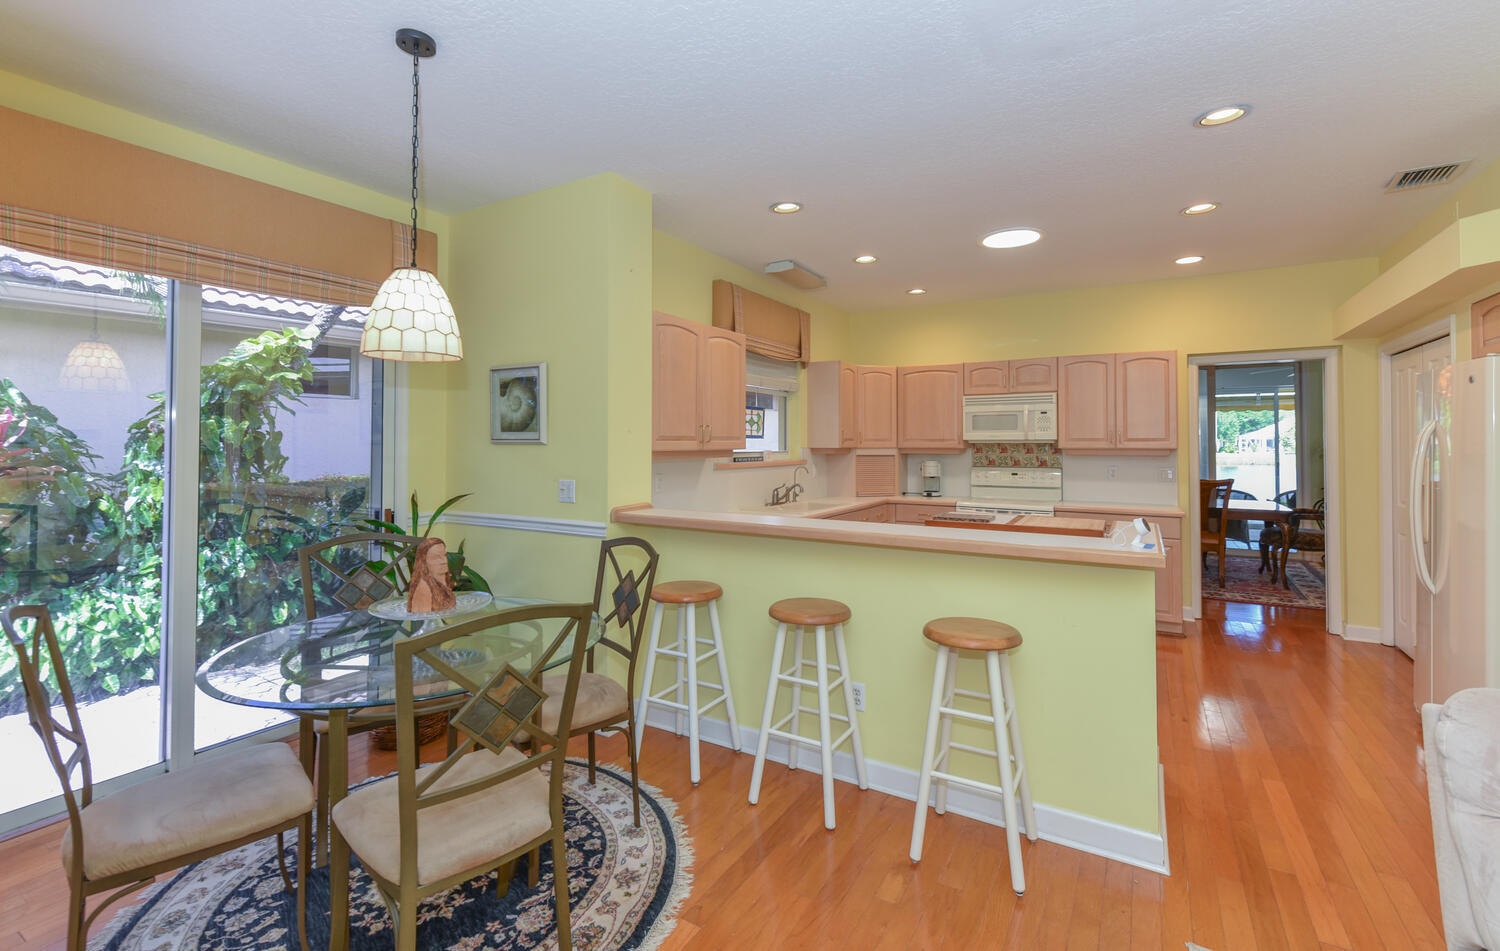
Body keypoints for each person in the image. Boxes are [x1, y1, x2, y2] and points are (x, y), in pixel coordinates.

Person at [406, 537, 457, 613]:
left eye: (445, 555)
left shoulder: (442, 580)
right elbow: (422, 621)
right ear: (424, 562)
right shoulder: (424, 589)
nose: (444, 561)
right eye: (436, 558)